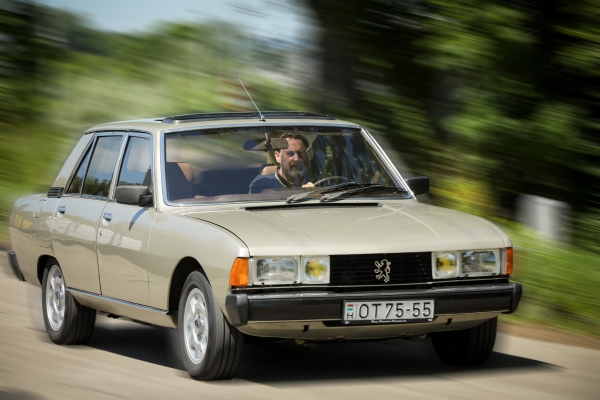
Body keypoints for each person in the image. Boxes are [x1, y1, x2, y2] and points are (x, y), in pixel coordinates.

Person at [249, 132, 315, 193]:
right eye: (290, 153)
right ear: (278, 156)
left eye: (301, 153)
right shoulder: (261, 183)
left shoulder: (313, 180)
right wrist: (303, 194)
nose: (297, 159)